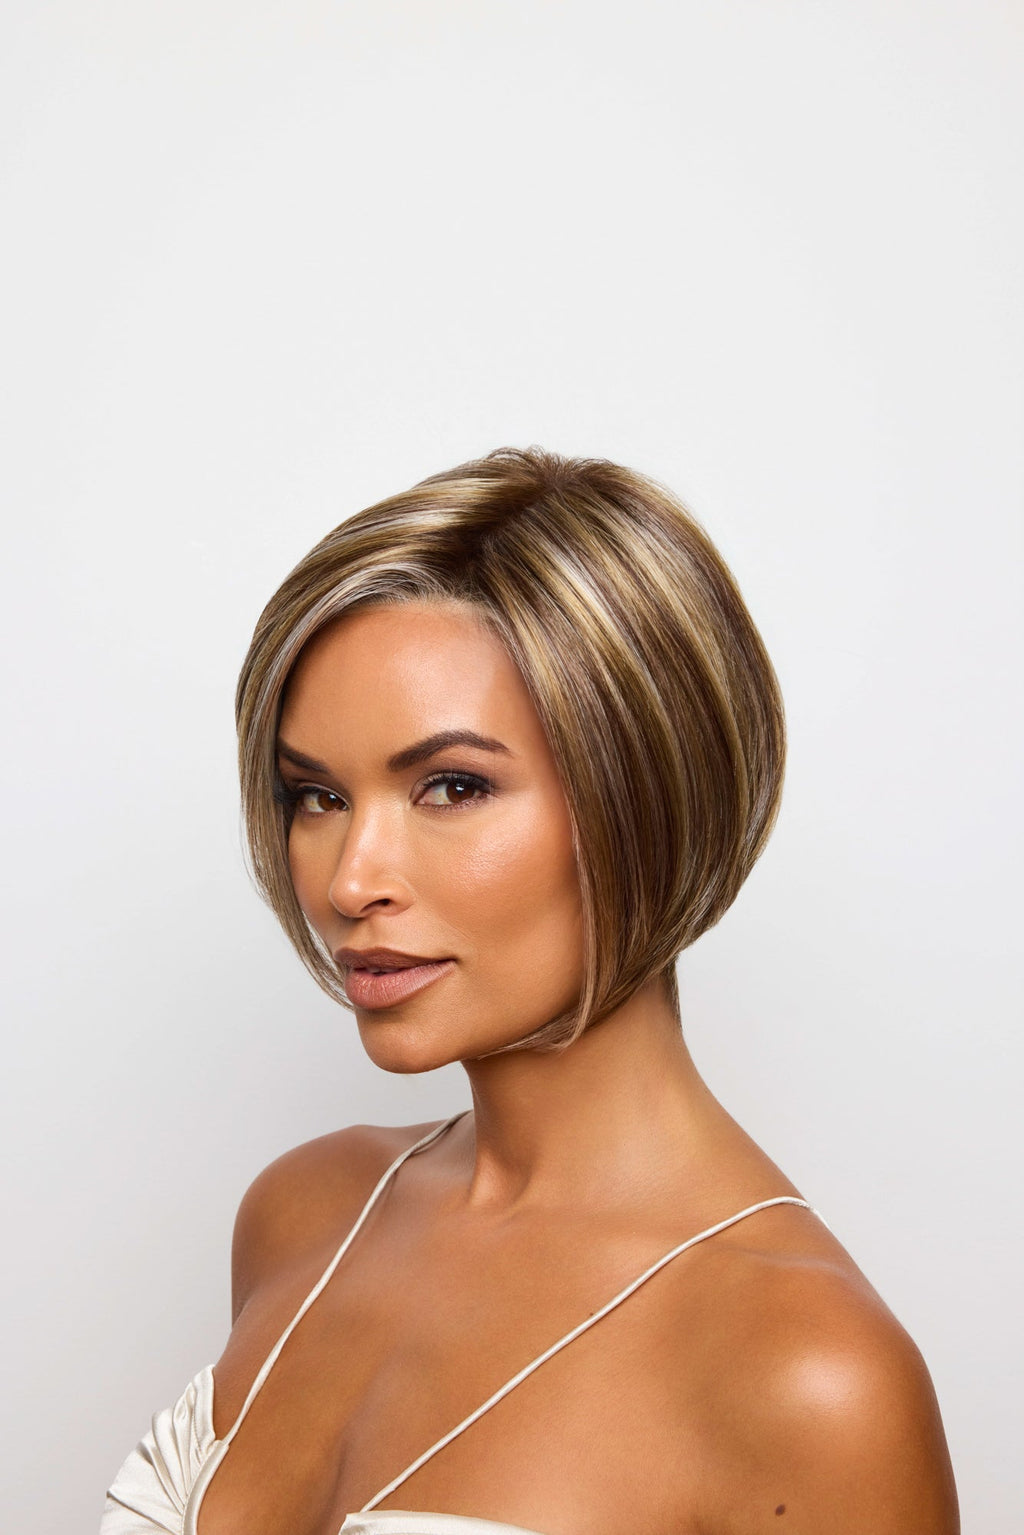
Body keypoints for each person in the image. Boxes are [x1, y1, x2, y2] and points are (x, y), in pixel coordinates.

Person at [101, 447, 959, 1535]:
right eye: (314, 794)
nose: (351, 879)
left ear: (645, 793)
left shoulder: (806, 1373)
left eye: (451, 786)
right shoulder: (304, 1215)